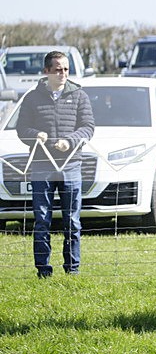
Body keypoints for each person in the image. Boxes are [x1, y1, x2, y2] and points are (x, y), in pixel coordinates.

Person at [16, 51, 95, 278]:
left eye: (66, 69)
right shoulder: (32, 98)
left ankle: (73, 270)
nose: (63, 74)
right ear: (47, 71)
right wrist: (36, 135)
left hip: (71, 165)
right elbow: (22, 129)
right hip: (41, 166)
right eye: (58, 69)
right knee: (42, 220)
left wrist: (69, 142)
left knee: (72, 220)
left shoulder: (79, 95)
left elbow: (88, 127)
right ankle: (43, 271)